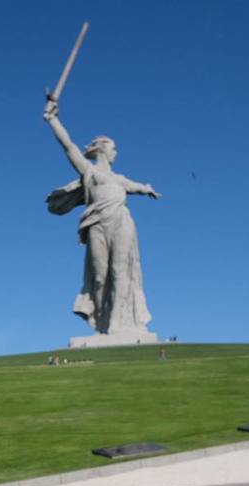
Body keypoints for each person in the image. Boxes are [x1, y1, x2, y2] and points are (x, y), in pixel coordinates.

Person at [43, 98, 159, 335]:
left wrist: (147, 188)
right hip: (97, 224)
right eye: (113, 148)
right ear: (103, 149)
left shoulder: (119, 179)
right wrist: (52, 119)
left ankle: (115, 322)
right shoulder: (90, 171)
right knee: (99, 277)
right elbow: (69, 147)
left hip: (121, 222)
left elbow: (136, 186)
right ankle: (101, 319)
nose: (116, 152)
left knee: (119, 272)